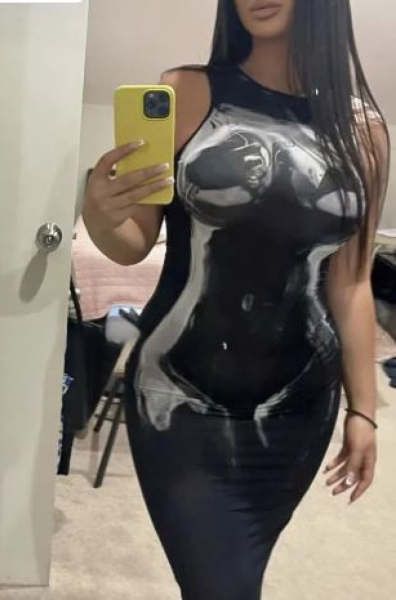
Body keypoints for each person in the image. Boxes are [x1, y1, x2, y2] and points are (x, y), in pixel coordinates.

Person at [82, 1, 390, 598]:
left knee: (240, 571)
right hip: (178, 399)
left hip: (299, 408)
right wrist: (99, 213)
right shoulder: (186, 92)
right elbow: (131, 244)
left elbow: (352, 282)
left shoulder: (365, 132)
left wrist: (363, 409)